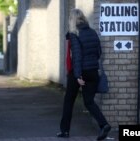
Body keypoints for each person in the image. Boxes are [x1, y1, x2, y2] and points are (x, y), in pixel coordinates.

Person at [57, 9, 111, 140]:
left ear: (72, 20)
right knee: (89, 101)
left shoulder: (75, 33)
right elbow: (98, 52)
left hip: (79, 72)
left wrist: (77, 76)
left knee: (69, 101)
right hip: (93, 71)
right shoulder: (92, 32)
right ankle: (104, 124)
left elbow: (77, 56)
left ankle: (65, 131)